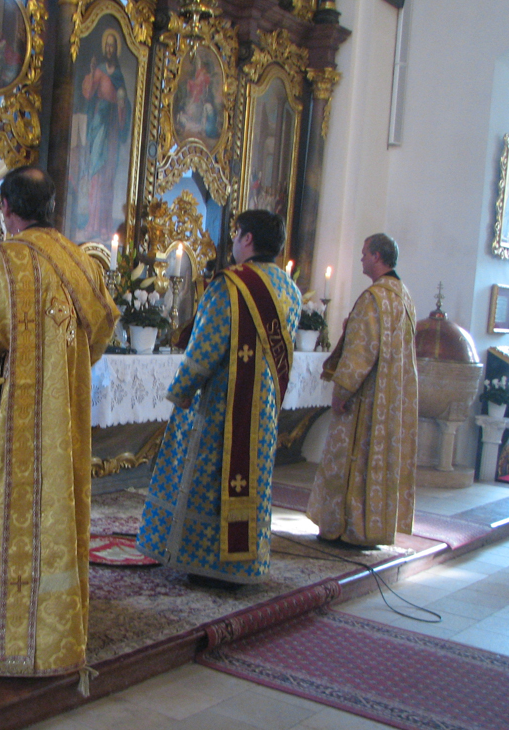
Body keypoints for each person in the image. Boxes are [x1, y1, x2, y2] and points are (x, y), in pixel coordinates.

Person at [0, 166, 118, 679]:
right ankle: (50, 641)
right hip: (60, 425)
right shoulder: (80, 262)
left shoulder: (3, 263)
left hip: (6, 429)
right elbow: (102, 328)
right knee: (53, 517)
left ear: (7, 208)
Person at [137, 210, 302, 585]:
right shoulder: (289, 289)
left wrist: (181, 390)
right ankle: (243, 565)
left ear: (247, 239)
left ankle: (208, 564)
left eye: (237, 233)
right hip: (262, 409)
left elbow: (205, 346)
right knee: (252, 480)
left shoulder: (231, 285)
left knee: (210, 480)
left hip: (222, 407)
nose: (234, 241)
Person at [306, 233, 418, 547]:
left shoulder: (374, 298)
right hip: (390, 400)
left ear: (378, 257)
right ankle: (372, 527)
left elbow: (361, 352)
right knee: (377, 462)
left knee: (352, 459)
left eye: (365, 253)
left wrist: (341, 392)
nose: (361, 258)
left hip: (366, 400)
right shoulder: (403, 296)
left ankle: (347, 527)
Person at [78, 29, 129, 243]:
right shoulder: (98, 70)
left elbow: (125, 105)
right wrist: (91, 73)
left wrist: (121, 106)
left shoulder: (119, 76)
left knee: (108, 175)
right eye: (107, 45)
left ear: (116, 49)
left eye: (112, 46)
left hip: (112, 127)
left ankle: (106, 226)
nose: (109, 49)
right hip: (99, 123)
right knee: (96, 174)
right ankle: (93, 224)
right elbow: (88, 94)